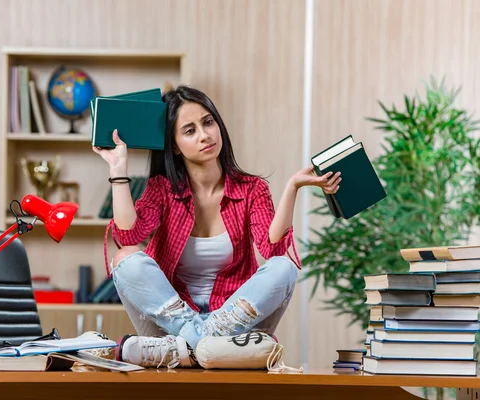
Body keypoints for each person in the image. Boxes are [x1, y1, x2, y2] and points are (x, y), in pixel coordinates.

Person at [92, 85, 340, 369]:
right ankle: (200, 343)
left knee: (285, 266)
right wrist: (118, 170)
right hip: (172, 327)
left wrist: (292, 187)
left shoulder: (251, 189)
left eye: (208, 122)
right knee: (125, 259)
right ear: (174, 145)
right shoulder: (162, 189)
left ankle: (189, 348)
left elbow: (272, 248)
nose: (205, 135)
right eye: (190, 130)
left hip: (234, 325)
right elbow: (127, 236)